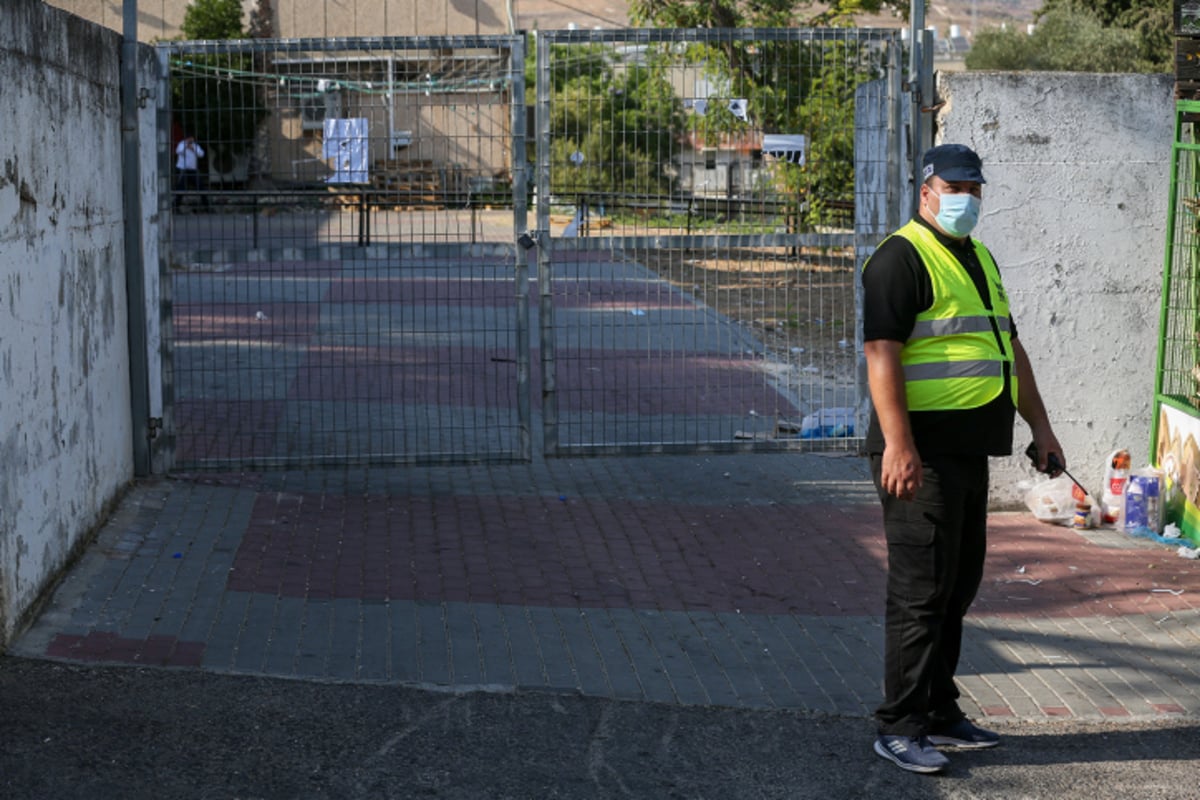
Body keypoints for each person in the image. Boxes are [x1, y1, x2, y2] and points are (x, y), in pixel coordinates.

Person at [861, 143, 1064, 774]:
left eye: (975, 189)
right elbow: (881, 356)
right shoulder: (899, 258)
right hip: (918, 455)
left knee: (956, 586)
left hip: (969, 452)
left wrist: (1043, 426)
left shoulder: (977, 256)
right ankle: (899, 725)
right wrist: (899, 444)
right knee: (920, 591)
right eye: (955, 188)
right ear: (926, 190)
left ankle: (940, 709)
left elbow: (1008, 347)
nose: (966, 199)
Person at [174, 134, 206, 211]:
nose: (191, 140)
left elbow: (201, 154)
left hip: (192, 170)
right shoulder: (182, 144)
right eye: (190, 139)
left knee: (201, 187)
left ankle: (206, 205)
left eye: (192, 139)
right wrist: (186, 147)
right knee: (181, 189)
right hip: (183, 170)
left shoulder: (195, 146)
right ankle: (176, 207)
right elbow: (178, 151)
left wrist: (193, 149)